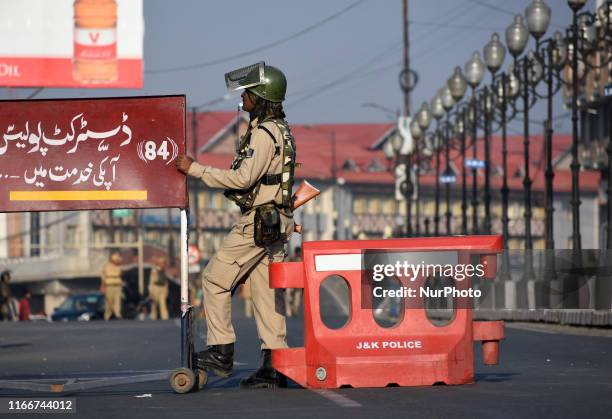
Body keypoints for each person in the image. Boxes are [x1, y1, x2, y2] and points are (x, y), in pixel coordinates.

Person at [176, 63, 296, 389]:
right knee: (267, 292)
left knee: (214, 278)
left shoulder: (263, 134)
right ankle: (276, 364)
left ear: (261, 97)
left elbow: (243, 178)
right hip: (278, 221)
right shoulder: (282, 130)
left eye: (248, 93)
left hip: (258, 222)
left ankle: (221, 351)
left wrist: (195, 169)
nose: (242, 97)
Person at [101, 251, 123, 320]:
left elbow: (121, 273)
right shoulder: (106, 266)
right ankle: (107, 315)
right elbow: (103, 276)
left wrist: (118, 263)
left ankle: (117, 314)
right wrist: (103, 286)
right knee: (109, 301)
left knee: (117, 301)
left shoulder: (119, 265)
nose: (117, 260)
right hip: (109, 284)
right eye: (115, 258)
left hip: (117, 284)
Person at [285, 246, 303, 317]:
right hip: (291, 281)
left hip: (298, 282)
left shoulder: (302, 260)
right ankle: (289, 311)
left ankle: (294, 310)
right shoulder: (291, 259)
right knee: (289, 297)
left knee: (297, 299)